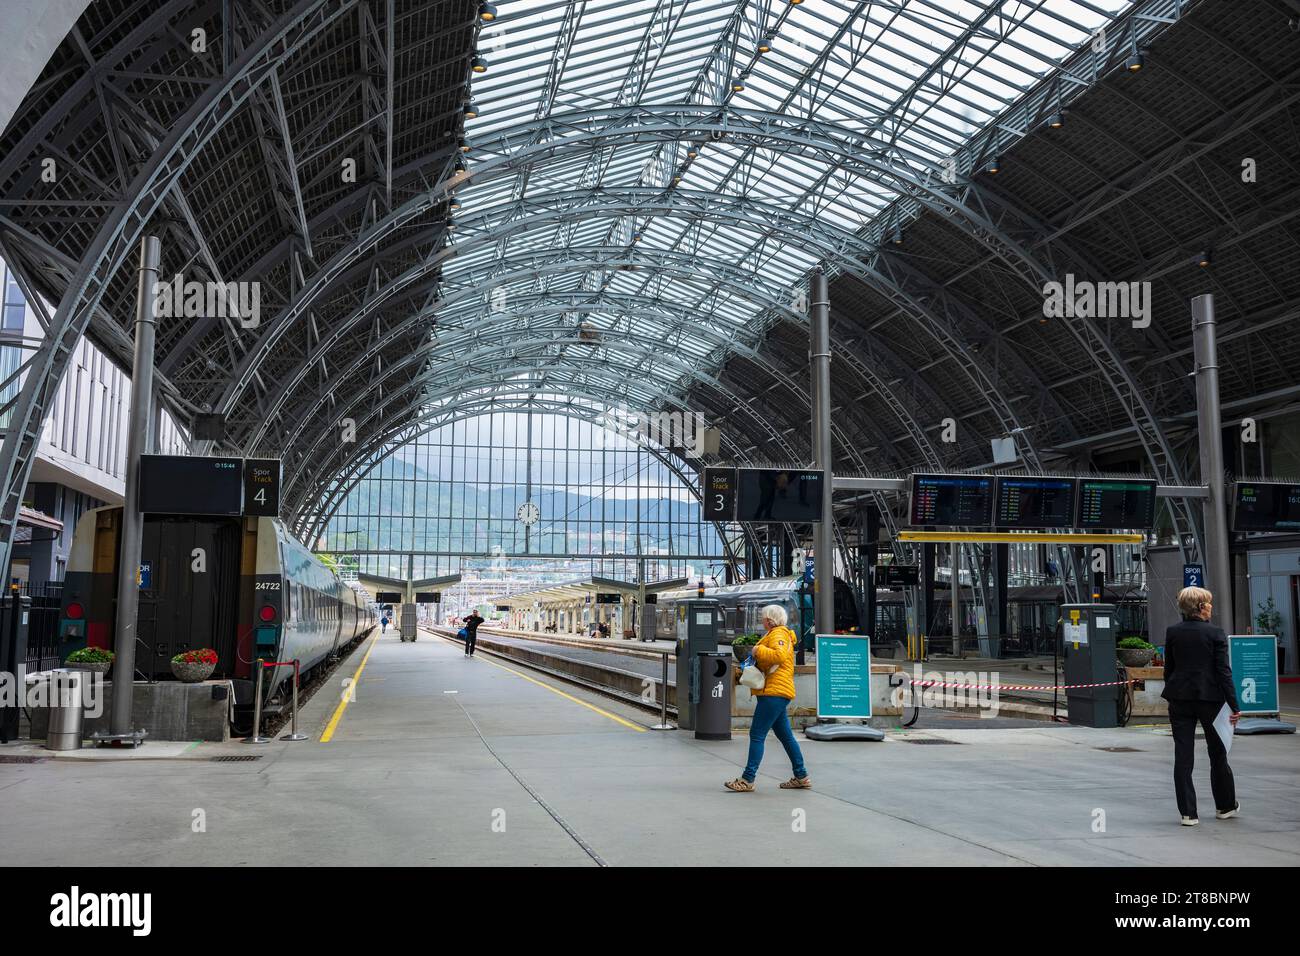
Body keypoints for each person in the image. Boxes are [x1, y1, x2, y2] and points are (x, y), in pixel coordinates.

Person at [1162, 586, 1241, 826]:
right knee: (1218, 752)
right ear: (1200, 607)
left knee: (1183, 755)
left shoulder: (1173, 632)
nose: (1211, 607)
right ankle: (1225, 806)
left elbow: (1169, 668)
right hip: (1211, 699)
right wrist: (1234, 705)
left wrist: (1175, 689)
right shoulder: (1215, 633)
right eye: (1209, 603)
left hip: (1180, 698)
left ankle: (1188, 813)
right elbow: (1223, 672)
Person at [725, 604, 810, 792]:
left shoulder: (778, 634)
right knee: (786, 736)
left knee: (757, 735)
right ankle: (801, 775)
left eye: (763, 618)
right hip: (777, 692)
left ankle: (747, 779)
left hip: (774, 692)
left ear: (770, 619)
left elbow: (779, 656)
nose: (761, 621)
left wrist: (757, 651)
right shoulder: (776, 634)